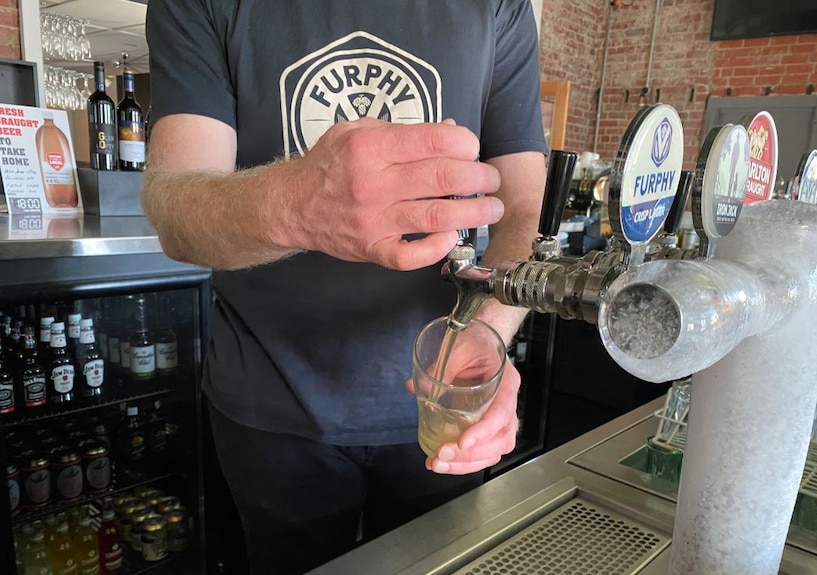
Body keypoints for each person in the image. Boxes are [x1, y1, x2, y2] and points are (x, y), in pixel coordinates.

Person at [143, 2, 548, 573]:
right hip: (270, 405)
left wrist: (488, 332)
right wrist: (297, 206)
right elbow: (175, 211)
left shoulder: (500, 6)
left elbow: (523, 209)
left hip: (442, 396)